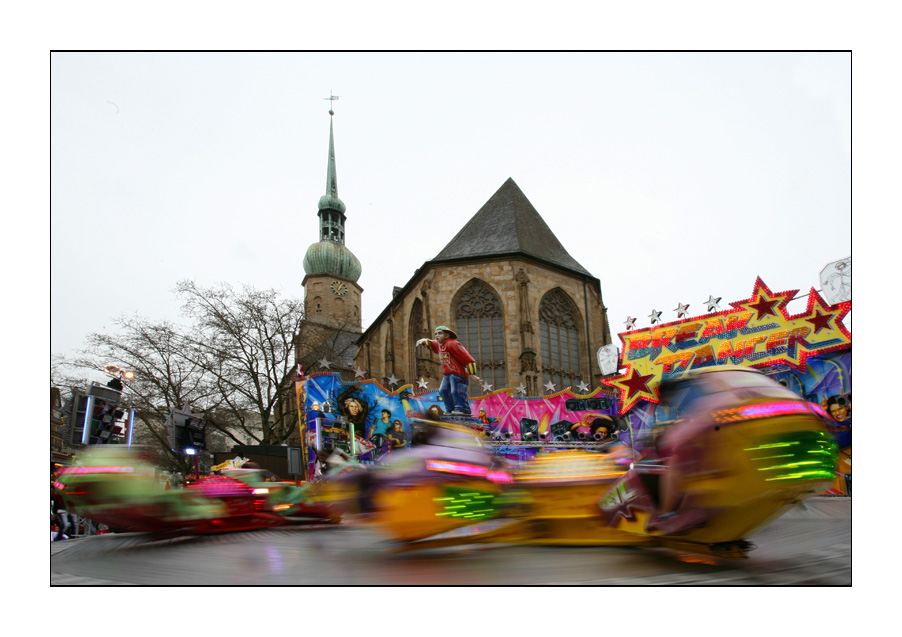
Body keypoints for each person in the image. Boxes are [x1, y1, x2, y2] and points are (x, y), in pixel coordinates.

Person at [416, 326, 481, 416]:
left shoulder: (453, 344)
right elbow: (432, 344)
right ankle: (450, 409)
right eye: (436, 333)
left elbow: (468, 359)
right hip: (447, 374)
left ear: (446, 335)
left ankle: (462, 409)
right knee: (443, 391)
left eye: (440, 333)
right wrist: (424, 340)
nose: (437, 335)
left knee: (456, 391)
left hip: (458, 374)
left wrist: (472, 375)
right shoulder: (440, 345)